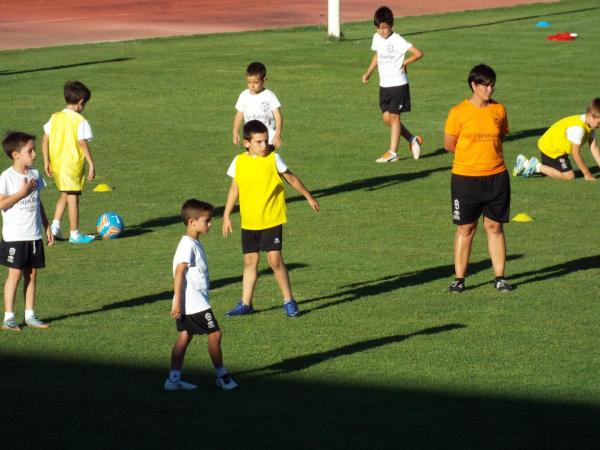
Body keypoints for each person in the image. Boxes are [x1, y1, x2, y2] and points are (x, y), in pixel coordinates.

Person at [222, 120, 320, 317]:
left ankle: (289, 301)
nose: (264, 145)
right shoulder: (239, 161)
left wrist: (308, 196)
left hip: (271, 219)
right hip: (249, 221)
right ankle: (246, 303)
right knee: (250, 262)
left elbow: (290, 178)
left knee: (275, 260)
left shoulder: (274, 159)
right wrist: (226, 215)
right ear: (247, 143)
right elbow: (235, 188)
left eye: (266, 141)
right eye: (259, 142)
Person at [444, 64, 512, 293]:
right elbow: (449, 144)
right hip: (465, 179)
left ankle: (500, 277)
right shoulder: (458, 113)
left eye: (492, 85)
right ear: (474, 85)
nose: (490, 89)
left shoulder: (499, 110)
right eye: (486, 85)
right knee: (466, 228)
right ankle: (460, 278)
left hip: (496, 177)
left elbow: (501, 135)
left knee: (494, 226)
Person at [165, 199, 237, 391]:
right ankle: (222, 375)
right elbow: (179, 273)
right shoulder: (187, 245)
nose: (210, 224)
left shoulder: (193, 242)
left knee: (185, 335)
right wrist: (178, 302)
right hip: (194, 303)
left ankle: (173, 379)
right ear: (192, 222)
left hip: (190, 302)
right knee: (215, 333)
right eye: (207, 220)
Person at [0, 132, 54, 331]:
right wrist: (22, 193)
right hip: (15, 236)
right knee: (14, 276)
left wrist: (46, 226)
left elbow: (38, 202)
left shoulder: (35, 175)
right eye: (30, 151)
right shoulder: (7, 177)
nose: (34, 154)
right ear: (16, 154)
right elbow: (2, 204)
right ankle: (8, 318)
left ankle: (30, 315)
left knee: (31, 275)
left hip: (33, 234)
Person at [362, 5, 424, 163]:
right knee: (387, 119)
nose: (381, 31)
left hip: (398, 84)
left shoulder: (397, 40)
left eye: (384, 28)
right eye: (378, 28)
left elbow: (418, 53)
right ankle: (412, 139)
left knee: (395, 118)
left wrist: (406, 62)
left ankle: (392, 152)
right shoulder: (376, 38)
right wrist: (368, 73)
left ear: (391, 26)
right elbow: (377, 55)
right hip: (384, 85)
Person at [42, 80, 96, 244]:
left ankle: (56, 227)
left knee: (64, 194)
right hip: (71, 165)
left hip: (57, 164)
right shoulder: (80, 121)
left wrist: (46, 161)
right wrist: (91, 163)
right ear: (81, 102)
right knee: (73, 197)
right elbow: (82, 142)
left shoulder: (55, 117)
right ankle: (75, 234)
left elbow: (45, 139)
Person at [513, 98, 600, 180]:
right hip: (552, 150)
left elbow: (594, 148)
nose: (599, 126)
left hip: (555, 148)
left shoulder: (590, 125)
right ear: (589, 116)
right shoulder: (579, 129)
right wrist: (587, 174)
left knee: (550, 173)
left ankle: (524, 163)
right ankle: (535, 165)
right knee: (569, 176)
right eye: (599, 122)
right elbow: (575, 153)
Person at [233, 62, 283, 149]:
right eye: (249, 82)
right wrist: (235, 131)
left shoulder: (269, 96)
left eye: (255, 82)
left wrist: (277, 134)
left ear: (264, 80)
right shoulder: (244, 95)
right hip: (251, 141)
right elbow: (239, 114)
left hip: (268, 140)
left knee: (266, 162)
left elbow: (278, 116)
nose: (251, 86)